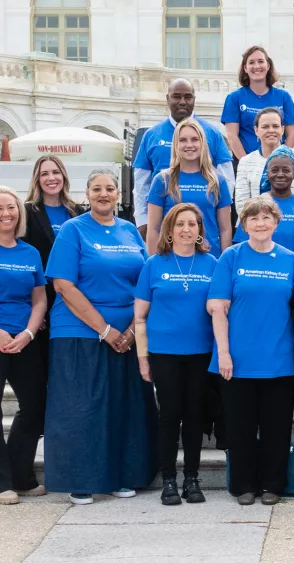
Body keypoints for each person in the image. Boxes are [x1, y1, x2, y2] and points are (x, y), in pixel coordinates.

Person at [44, 169, 157, 505]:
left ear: (118, 195)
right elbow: (63, 285)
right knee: (83, 407)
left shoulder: (129, 231)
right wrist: (105, 330)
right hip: (80, 331)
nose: (104, 194)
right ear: (87, 194)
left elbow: (145, 281)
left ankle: (122, 475)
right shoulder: (73, 229)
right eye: (97, 189)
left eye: (110, 188)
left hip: (129, 334)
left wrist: (132, 330)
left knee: (126, 407)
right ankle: (81, 479)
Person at [208, 197, 294, 506]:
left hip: (279, 359)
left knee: (278, 428)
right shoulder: (231, 257)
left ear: (276, 223)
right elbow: (218, 308)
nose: (260, 223)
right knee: (239, 429)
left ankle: (273, 485)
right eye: (253, 218)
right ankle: (244, 486)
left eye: (266, 218)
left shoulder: (290, 259)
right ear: (244, 224)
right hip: (237, 360)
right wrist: (224, 353)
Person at [134, 203, 217, 506]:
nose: (186, 229)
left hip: (202, 353)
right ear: (169, 230)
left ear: (200, 230)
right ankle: (168, 479)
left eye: (192, 224)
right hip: (164, 353)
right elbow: (139, 317)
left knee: (195, 416)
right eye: (180, 224)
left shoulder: (212, 264)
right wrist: (143, 358)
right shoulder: (154, 264)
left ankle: (191, 478)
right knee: (169, 415)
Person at [133, 78, 234, 235]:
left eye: (187, 97)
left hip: (205, 227)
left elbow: (227, 180)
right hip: (164, 224)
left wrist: (219, 214)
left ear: (194, 99)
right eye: (176, 96)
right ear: (167, 99)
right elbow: (141, 183)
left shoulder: (212, 133)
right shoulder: (151, 135)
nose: (182, 102)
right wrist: (142, 220)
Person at [0, 186, 47, 505]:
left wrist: (29, 333)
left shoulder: (29, 252)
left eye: (11, 207)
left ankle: (20, 477)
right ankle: (2, 483)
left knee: (35, 406)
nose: (6, 214)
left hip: (25, 340)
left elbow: (39, 298)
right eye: (0, 208)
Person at [22, 155, 85, 377]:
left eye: (56, 172)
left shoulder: (78, 212)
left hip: (74, 296)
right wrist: (32, 308)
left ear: (64, 176)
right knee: (42, 367)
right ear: (37, 180)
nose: (51, 178)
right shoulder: (27, 212)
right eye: (44, 174)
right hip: (42, 296)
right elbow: (22, 260)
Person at [146, 118, 233, 258]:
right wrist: (153, 262)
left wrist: (224, 262)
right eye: (183, 140)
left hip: (209, 257)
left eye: (194, 139)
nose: (189, 145)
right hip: (171, 258)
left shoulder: (217, 181)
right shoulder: (162, 180)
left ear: (202, 143)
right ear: (176, 144)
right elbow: (153, 228)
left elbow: (225, 229)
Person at [233, 146, 294, 263]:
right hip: (260, 270)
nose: (280, 174)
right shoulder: (254, 205)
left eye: (286, 170)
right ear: (267, 174)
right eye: (274, 170)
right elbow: (241, 247)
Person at [222, 46, 294, 160]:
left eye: (261, 61)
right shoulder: (234, 98)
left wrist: (281, 160)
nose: (257, 66)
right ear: (245, 68)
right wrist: (248, 163)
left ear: (268, 66)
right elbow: (232, 136)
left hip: (278, 164)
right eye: (251, 62)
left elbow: (291, 135)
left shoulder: (284, 97)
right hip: (245, 163)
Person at [234, 108, 294, 212]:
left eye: (275, 126)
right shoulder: (245, 162)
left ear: (282, 129)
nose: (271, 130)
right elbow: (241, 204)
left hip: (293, 220)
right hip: (257, 220)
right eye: (265, 127)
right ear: (256, 130)